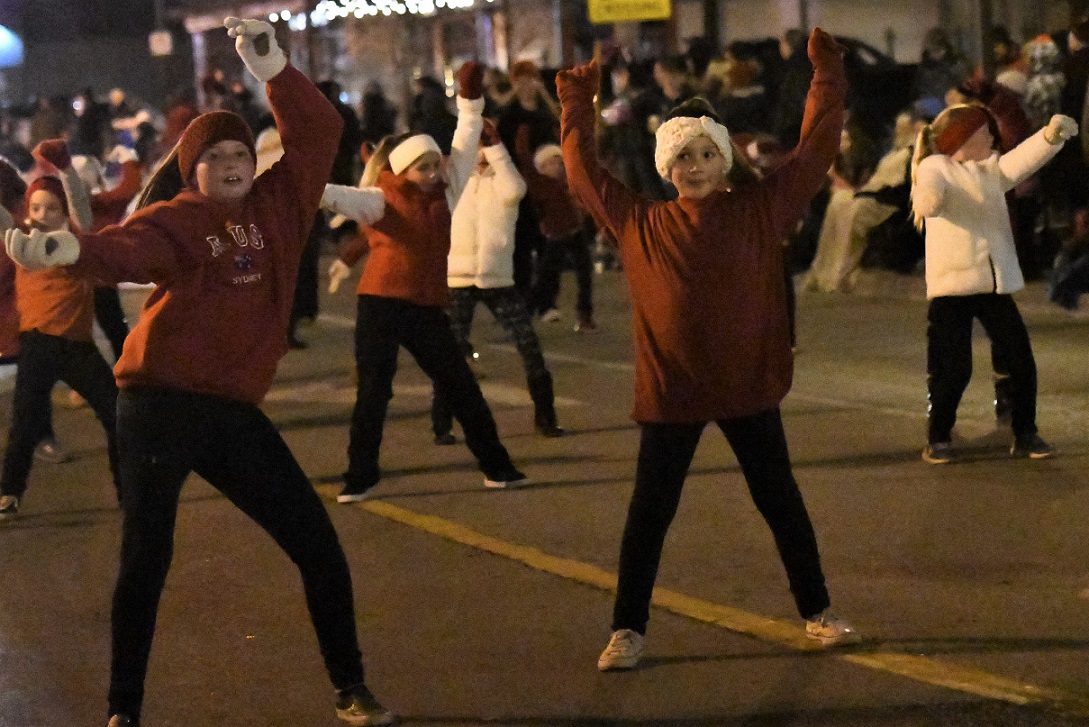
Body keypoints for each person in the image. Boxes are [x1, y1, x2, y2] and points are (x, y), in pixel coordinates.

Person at [4, 18, 393, 726]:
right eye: (214, 157)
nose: (231, 162)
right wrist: (66, 250)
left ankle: (351, 687)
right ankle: (124, 708)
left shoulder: (280, 202)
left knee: (316, 543)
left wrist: (273, 68)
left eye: (239, 151)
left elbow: (317, 134)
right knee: (146, 556)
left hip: (230, 410)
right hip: (157, 402)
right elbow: (127, 249)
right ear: (194, 172)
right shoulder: (182, 217)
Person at [556, 28, 861, 672]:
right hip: (673, 394)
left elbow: (814, 151)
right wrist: (577, 106)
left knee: (780, 503)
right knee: (649, 517)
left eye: (704, 153)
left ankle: (818, 610)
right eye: (681, 158)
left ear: (724, 159)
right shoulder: (638, 221)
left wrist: (826, 74)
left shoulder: (761, 207)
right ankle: (628, 629)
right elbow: (582, 173)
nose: (693, 166)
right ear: (666, 171)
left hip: (748, 386)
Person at [320, 61, 528, 503]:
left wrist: (471, 103)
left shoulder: (449, 188)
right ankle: (361, 476)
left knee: (460, 385)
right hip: (380, 303)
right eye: (423, 168)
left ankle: (498, 467)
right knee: (374, 391)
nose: (434, 173)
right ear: (403, 169)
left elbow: (467, 140)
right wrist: (288, 180)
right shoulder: (381, 199)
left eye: (437, 164)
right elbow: (334, 195)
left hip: (427, 305)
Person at [911, 103, 1077, 464]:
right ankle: (938, 435)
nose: (991, 135)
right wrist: (929, 201)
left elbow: (1021, 161)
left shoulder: (990, 170)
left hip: (994, 285)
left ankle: (1026, 432)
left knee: (1020, 360)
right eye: (984, 131)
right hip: (951, 290)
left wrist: (1050, 137)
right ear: (964, 138)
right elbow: (928, 190)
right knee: (952, 369)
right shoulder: (935, 166)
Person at [0, 141, 121, 522]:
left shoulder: (75, 242)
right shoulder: (20, 242)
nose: (42, 215)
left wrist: (66, 168)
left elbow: (81, 207)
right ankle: (9, 493)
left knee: (118, 414)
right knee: (24, 425)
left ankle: (129, 488)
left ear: (64, 212)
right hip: (36, 345)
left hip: (77, 347)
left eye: (51, 209)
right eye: (35, 208)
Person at [430, 117, 564, 443]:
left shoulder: (505, 181)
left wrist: (496, 146)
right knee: (450, 353)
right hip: (458, 279)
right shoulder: (453, 182)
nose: (478, 152)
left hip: (498, 279)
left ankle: (546, 418)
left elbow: (517, 189)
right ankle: (442, 423)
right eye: (474, 145)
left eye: (484, 144)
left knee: (528, 345)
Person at [514, 131, 596, 330]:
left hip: (575, 232)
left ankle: (584, 314)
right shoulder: (538, 184)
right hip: (556, 237)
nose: (556, 167)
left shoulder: (566, 181)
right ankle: (525, 314)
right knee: (545, 277)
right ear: (541, 167)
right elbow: (524, 159)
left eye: (558, 163)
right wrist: (522, 136)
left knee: (585, 274)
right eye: (550, 163)